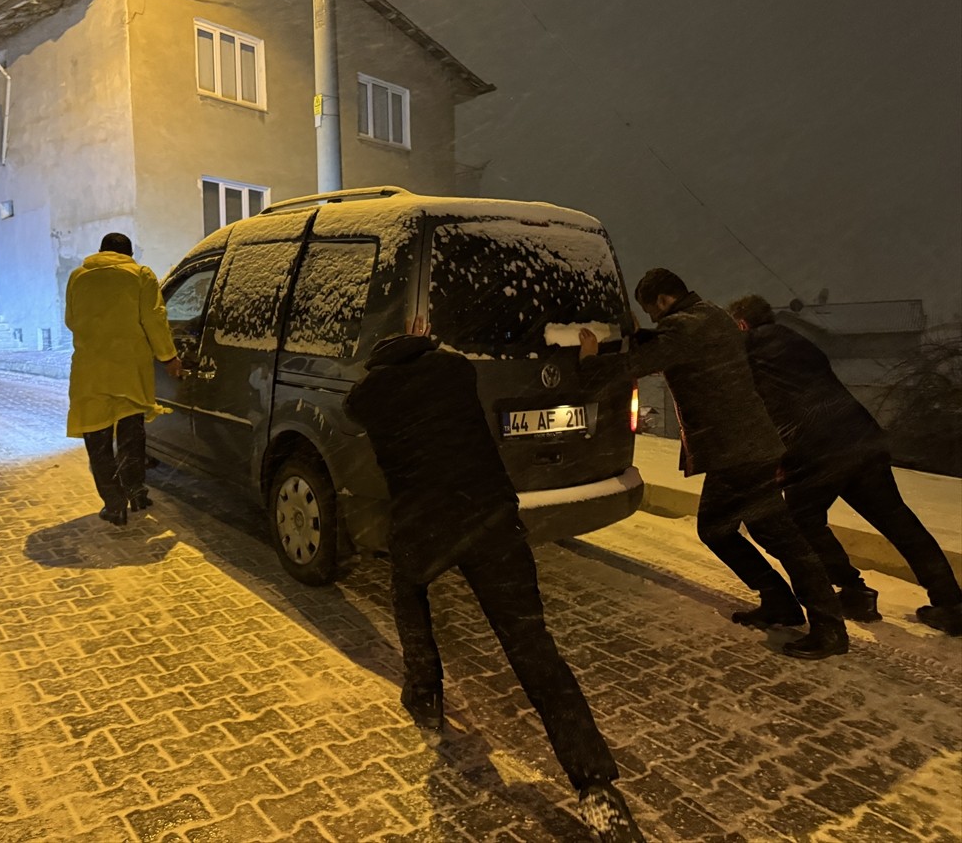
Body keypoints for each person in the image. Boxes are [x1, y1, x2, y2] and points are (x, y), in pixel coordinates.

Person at [343, 318, 645, 843]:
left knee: (408, 590)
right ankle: (596, 787)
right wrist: (431, 341)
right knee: (533, 647)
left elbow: (353, 405)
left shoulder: (369, 393)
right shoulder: (452, 368)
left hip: (426, 527)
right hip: (490, 518)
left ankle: (424, 690)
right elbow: (446, 363)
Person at [577, 269, 849, 660]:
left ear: (663, 301)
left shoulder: (684, 329)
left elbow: (633, 364)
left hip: (737, 451)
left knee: (762, 535)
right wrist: (640, 336)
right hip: (748, 446)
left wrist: (589, 360)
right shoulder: (711, 316)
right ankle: (782, 603)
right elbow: (666, 346)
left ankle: (828, 627)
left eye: (652, 312)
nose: (656, 320)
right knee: (744, 530)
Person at [727, 294, 962, 636]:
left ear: (742, 324)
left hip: (816, 448)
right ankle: (951, 603)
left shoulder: (752, 345)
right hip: (860, 437)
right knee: (899, 523)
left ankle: (852, 590)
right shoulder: (801, 343)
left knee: (799, 520)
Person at [65, 232, 183, 525]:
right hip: (129, 370)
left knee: (98, 439)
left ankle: (114, 504)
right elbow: (154, 318)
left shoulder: (78, 277)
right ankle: (136, 492)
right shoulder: (140, 275)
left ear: (101, 251)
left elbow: (70, 319)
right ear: (129, 255)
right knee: (131, 436)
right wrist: (168, 357)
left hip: (90, 372)